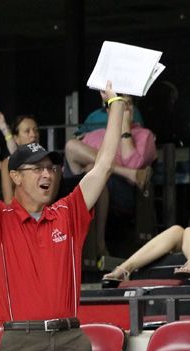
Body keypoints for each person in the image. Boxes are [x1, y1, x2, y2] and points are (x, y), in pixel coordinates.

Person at [0, 75, 124, 351]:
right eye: (37, 168)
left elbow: (103, 166)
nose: (47, 174)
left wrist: (115, 105)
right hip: (21, 344)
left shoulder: (68, 212)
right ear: (15, 177)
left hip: (70, 340)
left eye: (51, 168)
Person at [65, 93, 156, 257]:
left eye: (128, 104)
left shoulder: (144, 135)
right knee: (75, 149)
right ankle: (91, 246)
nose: (125, 108)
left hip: (124, 191)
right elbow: (72, 160)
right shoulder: (96, 134)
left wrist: (125, 130)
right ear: (109, 111)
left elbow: (134, 165)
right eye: (120, 104)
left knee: (94, 171)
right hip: (92, 186)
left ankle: (99, 243)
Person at [0, 115, 64, 205]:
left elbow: (48, 199)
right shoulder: (7, 163)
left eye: (36, 130)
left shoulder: (53, 160)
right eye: (27, 131)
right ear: (16, 138)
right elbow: (8, 201)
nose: (33, 135)